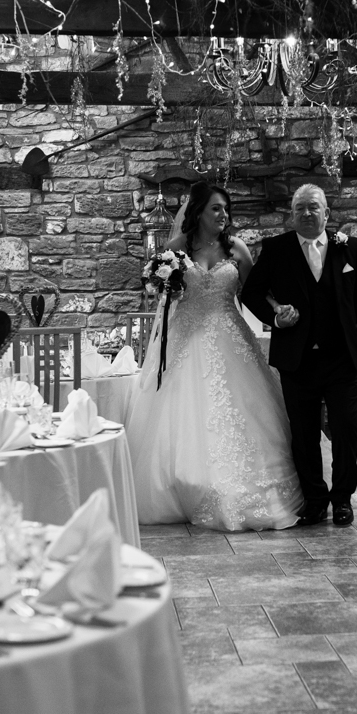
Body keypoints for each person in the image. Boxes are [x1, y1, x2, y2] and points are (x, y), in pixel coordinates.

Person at [126, 182, 303, 531]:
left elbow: (255, 292)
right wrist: (163, 286)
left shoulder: (236, 249)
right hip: (185, 337)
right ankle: (186, 482)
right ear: (198, 212)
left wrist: (278, 310)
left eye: (226, 209)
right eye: (216, 209)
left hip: (230, 336)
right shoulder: (177, 248)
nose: (223, 215)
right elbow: (163, 293)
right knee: (184, 417)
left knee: (243, 412)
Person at [240, 184, 357, 528]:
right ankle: (315, 500)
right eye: (299, 208)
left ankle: (342, 498)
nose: (306, 213)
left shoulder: (348, 248)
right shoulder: (276, 249)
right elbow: (251, 293)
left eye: (313, 207)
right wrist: (274, 317)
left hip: (341, 358)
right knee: (303, 434)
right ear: (292, 214)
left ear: (326, 213)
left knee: (346, 430)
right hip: (297, 359)